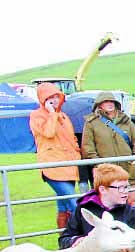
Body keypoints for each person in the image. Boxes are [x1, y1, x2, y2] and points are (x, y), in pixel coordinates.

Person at [29, 82, 82, 228]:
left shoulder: (64, 116)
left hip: (70, 166)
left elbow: (72, 140)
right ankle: (84, 235)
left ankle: (65, 238)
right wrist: (52, 114)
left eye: (56, 96)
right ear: (42, 99)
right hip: (52, 167)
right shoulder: (36, 116)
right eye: (49, 97)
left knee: (63, 207)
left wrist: (77, 158)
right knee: (73, 202)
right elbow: (48, 133)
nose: (53, 100)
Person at [81, 91, 135, 206]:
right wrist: (99, 165)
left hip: (129, 169)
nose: (109, 104)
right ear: (99, 105)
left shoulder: (126, 121)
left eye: (111, 101)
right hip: (107, 172)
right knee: (110, 204)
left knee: (132, 201)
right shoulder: (92, 123)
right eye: (105, 102)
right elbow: (87, 147)